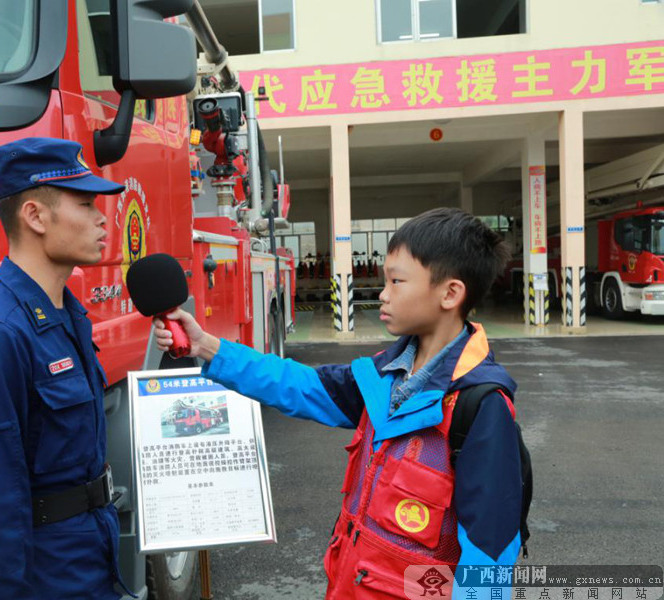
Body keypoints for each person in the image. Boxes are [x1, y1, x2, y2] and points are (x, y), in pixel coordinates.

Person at [154, 208, 522, 599]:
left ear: (450, 293)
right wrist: (207, 346)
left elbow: (489, 554)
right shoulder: (381, 376)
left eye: (397, 282)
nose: (383, 293)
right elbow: (301, 385)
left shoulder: (480, 406)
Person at [0, 137, 131, 600]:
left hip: (88, 557)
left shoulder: (65, 313)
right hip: (44, 577)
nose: (103, 218)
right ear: (35, 216)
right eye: (85, 204)